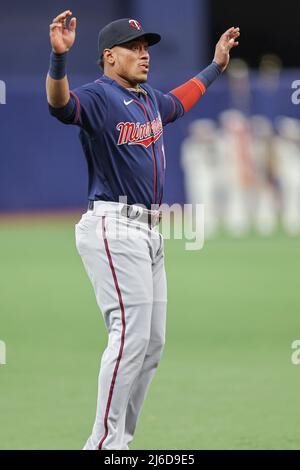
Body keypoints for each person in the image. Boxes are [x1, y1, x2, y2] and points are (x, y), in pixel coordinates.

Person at [46, 10, 240, 450]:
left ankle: (121, 443)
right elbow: (59, 105)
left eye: (146, 47)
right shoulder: (97, 97)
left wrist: (216, 66)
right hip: (114, 227)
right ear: (109, 56)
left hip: (150, 232)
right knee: (130, 335)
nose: (143, 54)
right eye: (134, 48)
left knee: (151, 344)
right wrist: (58, 59)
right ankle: (102, 444)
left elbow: (181, 100)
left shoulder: (149, 98)